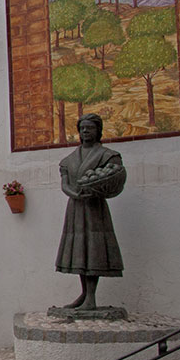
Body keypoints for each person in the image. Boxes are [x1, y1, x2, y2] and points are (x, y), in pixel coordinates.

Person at [55, 113, 125, 310]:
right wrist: (76, 194)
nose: (85, 131)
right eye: (82, 128)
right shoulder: (68, 160)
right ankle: (84, 294)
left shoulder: (107, 155)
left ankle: (91, 298)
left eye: (90, 128)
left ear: (98, 131)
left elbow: (114, 177)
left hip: (95, 208)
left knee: (93, 250)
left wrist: (92, 191)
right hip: (76, 208)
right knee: (79, 250)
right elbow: (65, 184)